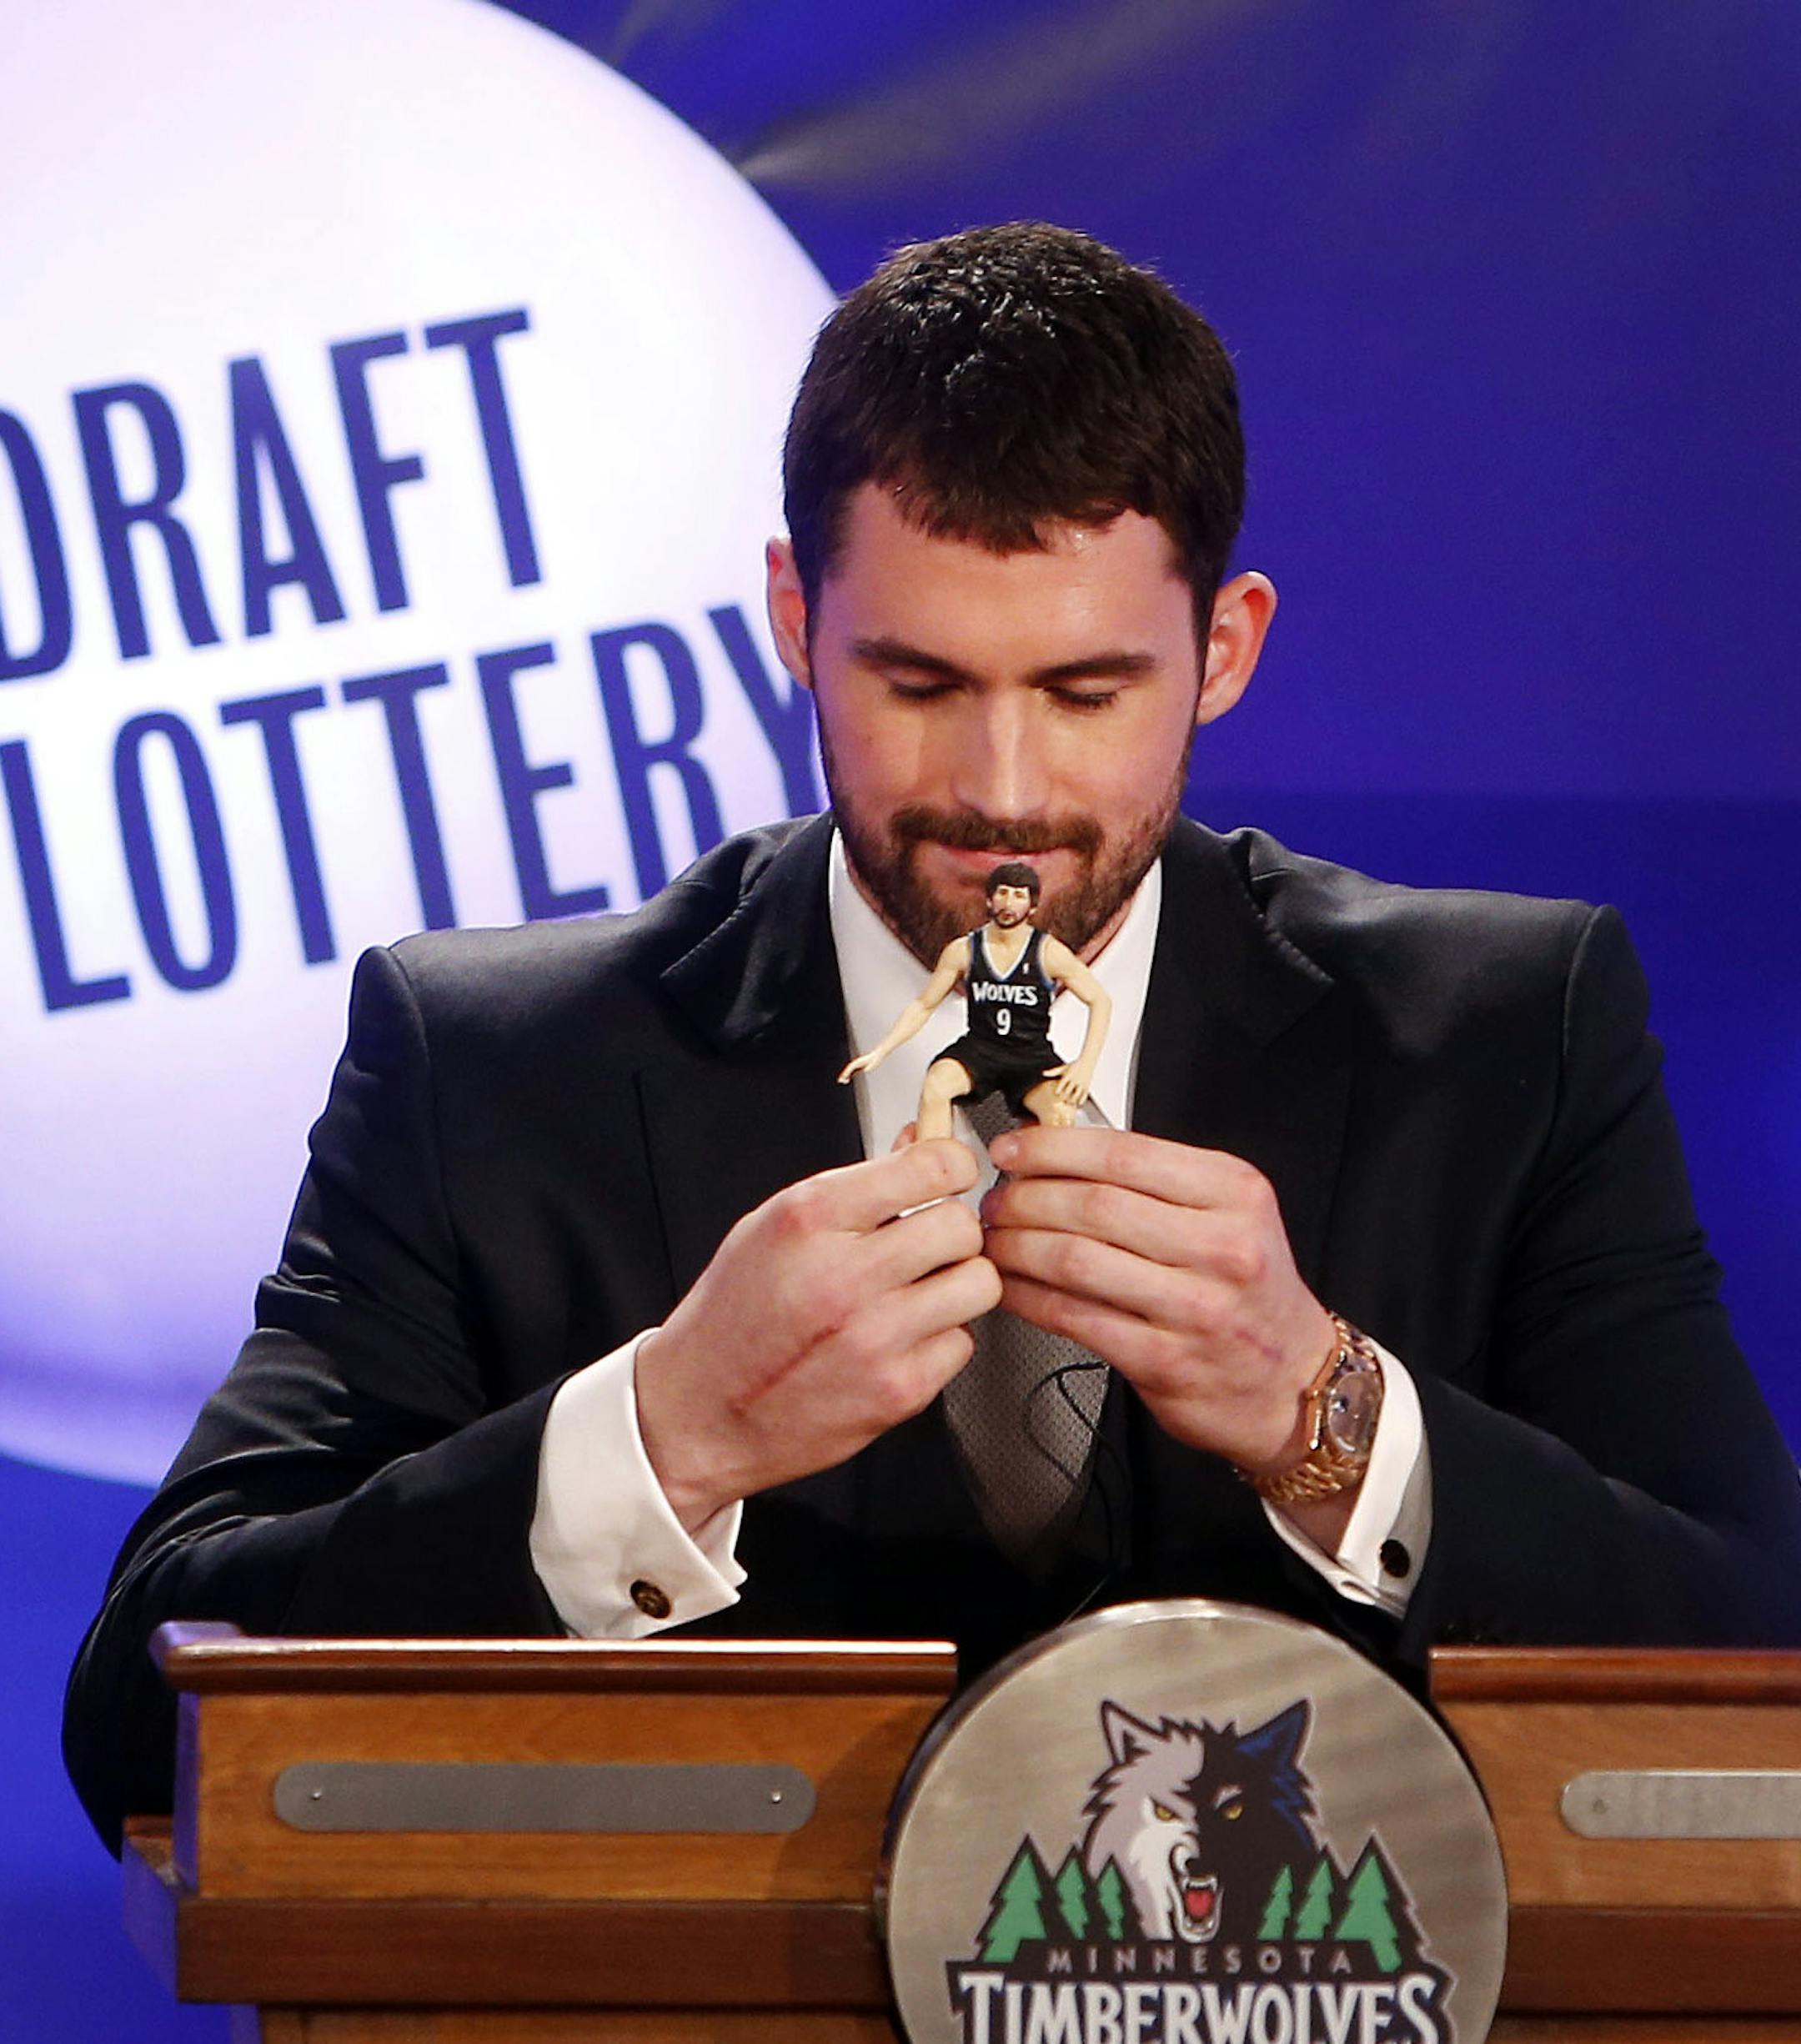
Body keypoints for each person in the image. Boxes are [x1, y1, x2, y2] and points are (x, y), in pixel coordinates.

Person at [65, 222, 1801, 1855]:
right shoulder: (486, 1064)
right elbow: (138, 1717)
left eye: (1083, 690)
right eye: (918, 681)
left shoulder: (1505, 1034)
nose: (1003, 791)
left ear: (1226, 648)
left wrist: (1326, 1409)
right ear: (792, 624)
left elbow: (1754, 1649)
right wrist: (660, 1441)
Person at [838, 860, 1112, 1138]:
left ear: (1033, 906)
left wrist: (1085, 1065)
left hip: (1031, 1055)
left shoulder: (1048, 952)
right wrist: (880, 1051)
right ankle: (934, 1168)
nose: (1008, 903)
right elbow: (924, 1004)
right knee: (937, 1085)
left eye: (1018, 895)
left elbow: (1100, 1000)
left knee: (1061, 1113)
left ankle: (1047, 1178)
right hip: (980, 1050)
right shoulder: (964, 950)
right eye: (1003, 893)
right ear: (989, 900)